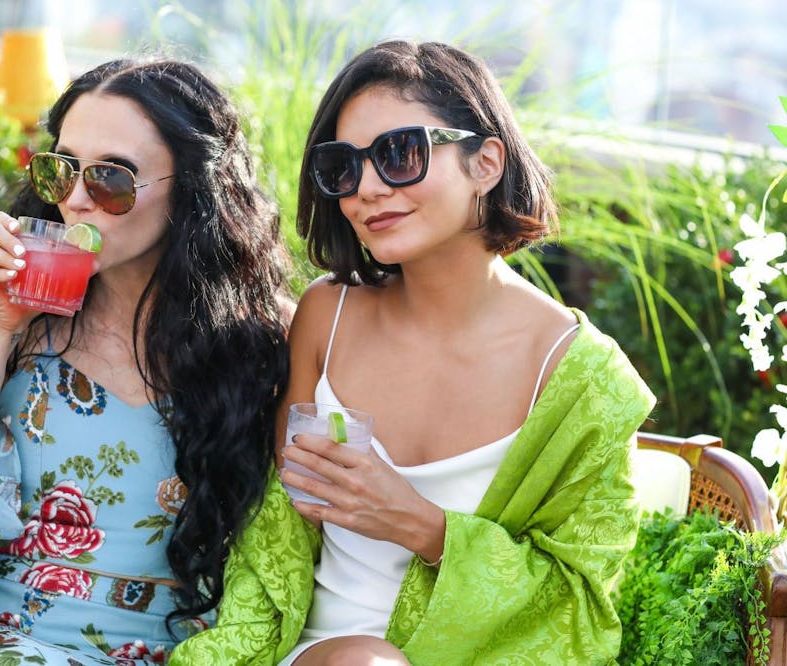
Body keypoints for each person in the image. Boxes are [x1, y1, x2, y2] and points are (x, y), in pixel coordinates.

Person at [180, 39, 656, 665]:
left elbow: (580, 606)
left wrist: (419, 524)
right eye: (343, 168)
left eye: (399, 153)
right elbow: (277, 531)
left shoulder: (581, 380)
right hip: (318, 651)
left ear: (485, 163)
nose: (367, 189)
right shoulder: (328, 314)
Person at [0, 57, 298, 665]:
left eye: (112, 179)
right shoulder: (26, 318)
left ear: (194, 188)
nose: (77, 201)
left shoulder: (262, 349)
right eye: (61, 171)